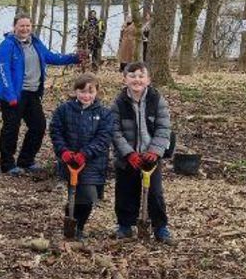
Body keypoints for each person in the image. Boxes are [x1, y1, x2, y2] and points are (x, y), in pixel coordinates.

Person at [0, 12, 82, 175]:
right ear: (14, 27)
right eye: (21, 25)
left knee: (39, 126)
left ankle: (26, 160)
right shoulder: (7, 45)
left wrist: (74, 58)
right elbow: (3, 71)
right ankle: (7, 164)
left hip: (33, 93)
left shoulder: (35, 43)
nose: (25, 28)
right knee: (11, 129)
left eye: (28, 25)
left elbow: (51, 57)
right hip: (13, 95)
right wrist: (11, 96)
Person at [111, 62, 174, 243]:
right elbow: (115, 132)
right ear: (125, 79)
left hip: (150, 157)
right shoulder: (118, 103)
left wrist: (155, 151)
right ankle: (125, 225)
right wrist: (128, 153)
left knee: (155, 193)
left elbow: (164, 128)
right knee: (125, 191)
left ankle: (160, 227)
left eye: (141, 76)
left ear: (148, 80)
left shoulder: (157, 100)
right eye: (132, 76)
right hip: (127, 157)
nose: (137, 80)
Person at [49, 73, 115, 240]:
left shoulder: (104, 114)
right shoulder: (64, 110)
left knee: (88, 196)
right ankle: (70, 224)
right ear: (75, 91)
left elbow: (104, 138)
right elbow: (56, 131)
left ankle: (79, 226)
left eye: (90, 92)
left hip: (92, 162)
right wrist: (63, 151)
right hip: (69, 160)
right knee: (74, 193)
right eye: (82, 91)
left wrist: (85, 154)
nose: (86, 95)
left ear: (97, 92)